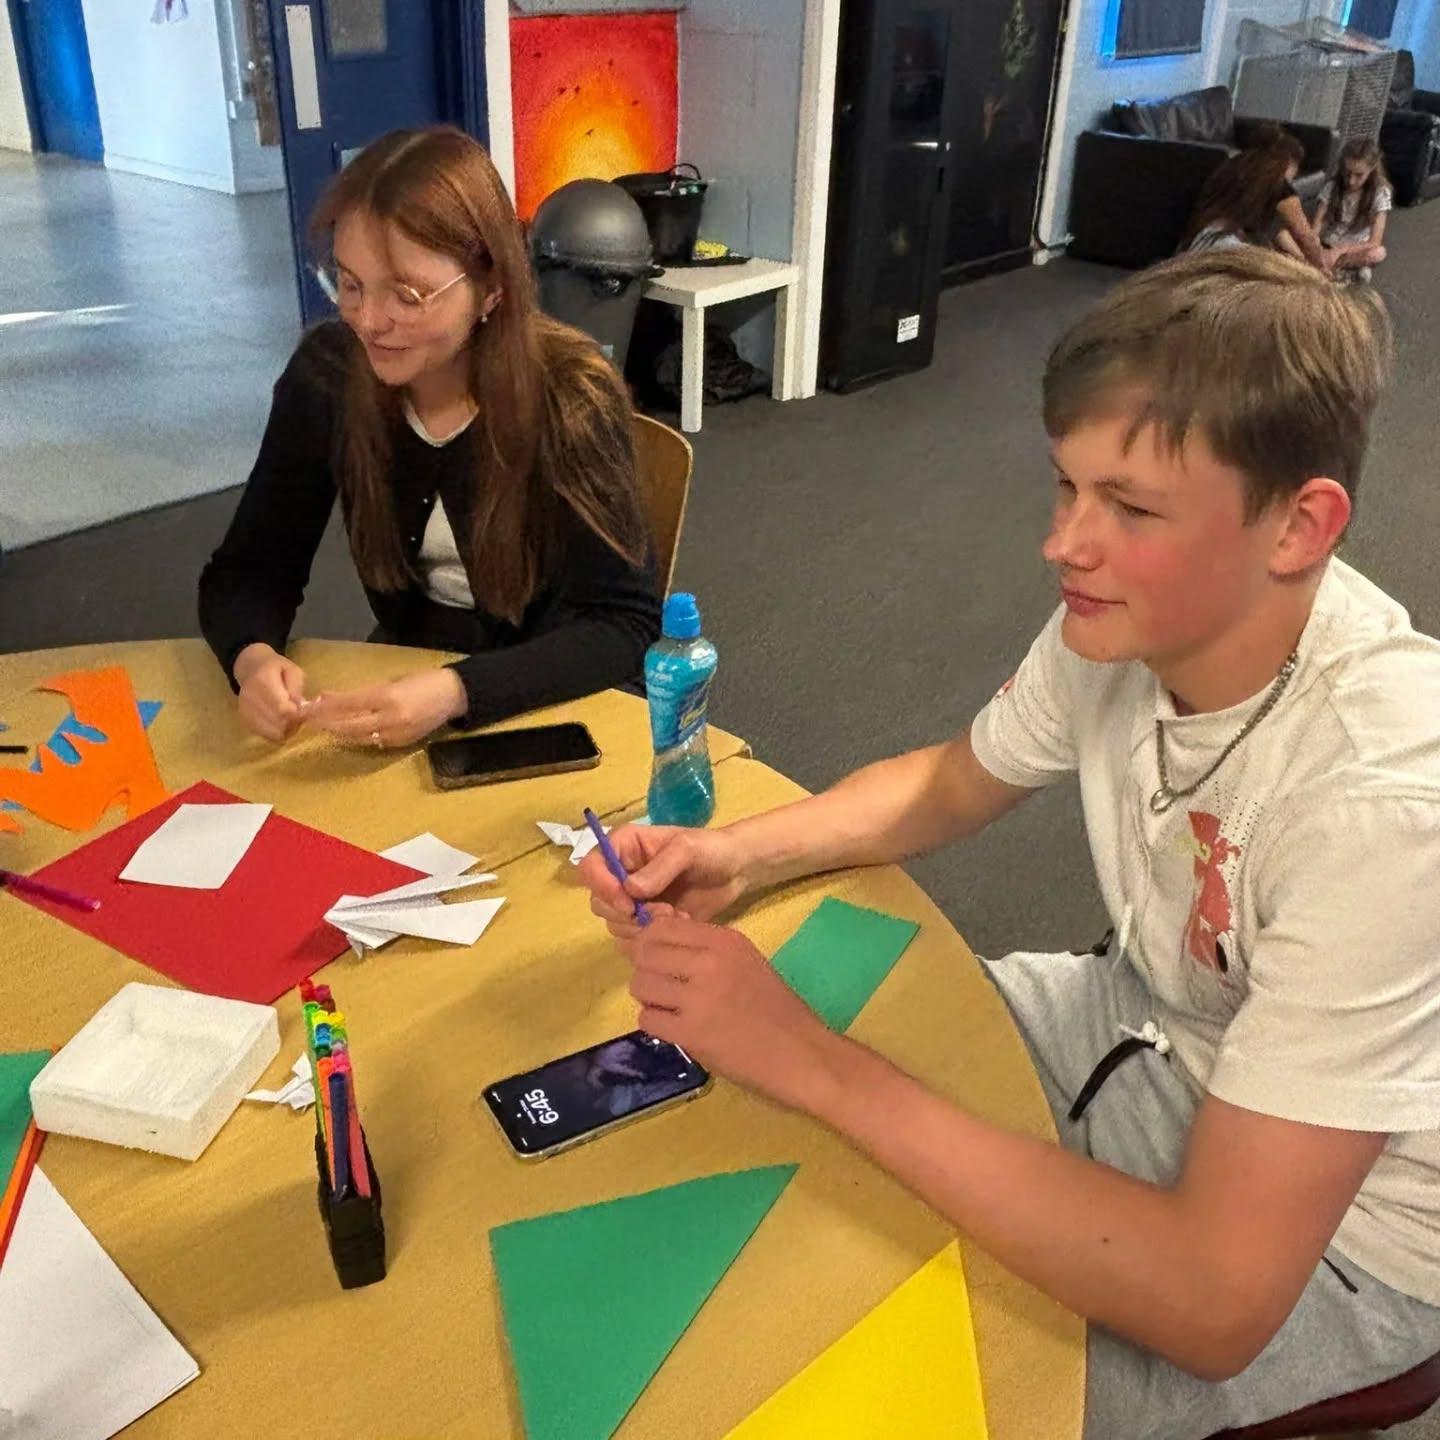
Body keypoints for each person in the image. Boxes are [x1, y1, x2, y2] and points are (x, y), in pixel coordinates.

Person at [579, 248, 1440, 1439]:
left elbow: (1215, 1301)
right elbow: (950, 781)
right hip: (1143, 1017)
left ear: (1300, 527)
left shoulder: (1387, 810)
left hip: (1346, 1246)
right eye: (1066, 489)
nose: (1064, 544)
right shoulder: (1132, 609)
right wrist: (743, 855)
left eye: (1129, 508)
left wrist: (817, 1065)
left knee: (860, 1361)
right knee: (759, 1119)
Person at [199, 127, 660, 749]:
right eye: (350, 284)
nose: (367, 321)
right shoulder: (329, 378)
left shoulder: (571, 394)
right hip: (408, 675)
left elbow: (623, 626)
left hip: (553, 694)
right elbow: (251, 569)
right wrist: (252, 659)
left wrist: (455, 691)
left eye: (407, 295)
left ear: (491, 288)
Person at [1181, 127, 1332, 274]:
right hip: (1225, 249)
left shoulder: (1234, 165)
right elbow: (1305, 236)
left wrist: (1301, 259)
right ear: (1289, 162)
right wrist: (1321, 272)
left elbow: (1278, 232)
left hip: (1199, 241)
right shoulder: (1280, 185)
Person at [1316, 137, 1392, 282]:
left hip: (1355, 250)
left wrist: (1340, 250)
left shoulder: (1380, 193)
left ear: (1371, 169)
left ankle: (1330, 268)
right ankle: (1339, 271)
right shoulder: (1332, 187)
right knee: (1283, 235)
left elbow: (1375, 241)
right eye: (1347, 173)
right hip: (1327, 245)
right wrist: (1316, 247)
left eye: (1358, 175)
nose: (1351, 181)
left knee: (1379, 253)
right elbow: (1317, 227)